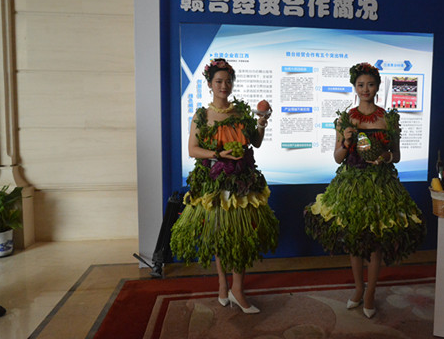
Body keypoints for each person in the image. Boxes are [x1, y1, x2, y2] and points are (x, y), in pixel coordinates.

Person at [305, 62, 426, 319]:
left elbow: (397, 155)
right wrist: (346, 141)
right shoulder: (345, 119)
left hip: (380, 185)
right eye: (360, 85)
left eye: (370, 84)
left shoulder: (388, 118)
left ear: (378, 86)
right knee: (354, 240)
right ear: (354, 87)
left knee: (375, 242)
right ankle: (358, 288)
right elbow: (338, 158)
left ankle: (371, 292)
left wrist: (385, 156)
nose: (365, 89)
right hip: (352, 185)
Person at [171, 58, 279, 314]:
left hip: (241, 182)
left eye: (228, 81)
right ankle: (222, 285)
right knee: (220, 235)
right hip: (215, 182)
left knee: (240, 236)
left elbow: (255, 142)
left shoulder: (240, 113)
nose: (224, 85)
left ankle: (237, 290)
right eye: (219, 81)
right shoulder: (201, 115)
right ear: (209, 84)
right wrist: (218, 155)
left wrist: (261, 123)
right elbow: (193, 149)